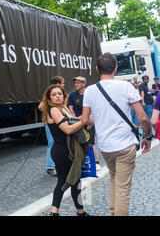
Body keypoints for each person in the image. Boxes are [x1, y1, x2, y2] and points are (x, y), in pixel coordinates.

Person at [82, 53, 152, 216]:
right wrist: (148, 137)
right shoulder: (126, 86)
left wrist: (97, 117)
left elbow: (85, 119)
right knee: (123, 188)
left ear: (97, 69)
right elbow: (142, 118)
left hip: (106, 147)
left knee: (114, 178)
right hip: (125, 145)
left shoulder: (90, 91)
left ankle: (113, 212)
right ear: (116, 68)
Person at [41, 84, 89, 216]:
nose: (57, 96)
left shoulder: (63, 107)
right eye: (54, 94)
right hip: (62, 151)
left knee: (75, 180)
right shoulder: (53, 110)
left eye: (59, 94)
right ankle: (55, 212)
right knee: (64, 181)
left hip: (70, 149)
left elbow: (73, 122)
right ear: (49, 98)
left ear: (64, 95)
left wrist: (85, 119)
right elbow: (67, 129)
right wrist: (84, 121)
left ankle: (79, 211)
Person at [67, 76, 101, 171]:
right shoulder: (72, 95)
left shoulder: (89, 94)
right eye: (75, 83)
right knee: (78, 142)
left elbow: (93, 108)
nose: (76, 84)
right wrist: (75, 118)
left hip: (89, 120)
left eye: (78, 83)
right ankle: (80, 163)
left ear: (83, 84)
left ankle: (96, 162)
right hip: (77, 122)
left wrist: (84, 118)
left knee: (90, 142)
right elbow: (70, 107)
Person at [38, 75, 65, 177]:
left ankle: (56, 164)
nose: (63, 85)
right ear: (57, 83)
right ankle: (50, 167)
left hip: (55, 122)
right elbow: (40, 106)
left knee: (56, 143)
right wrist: (50, 114)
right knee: (52, 143)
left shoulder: (55, 93)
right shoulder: (50, 93)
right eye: (62, 83)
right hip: (50, 123)